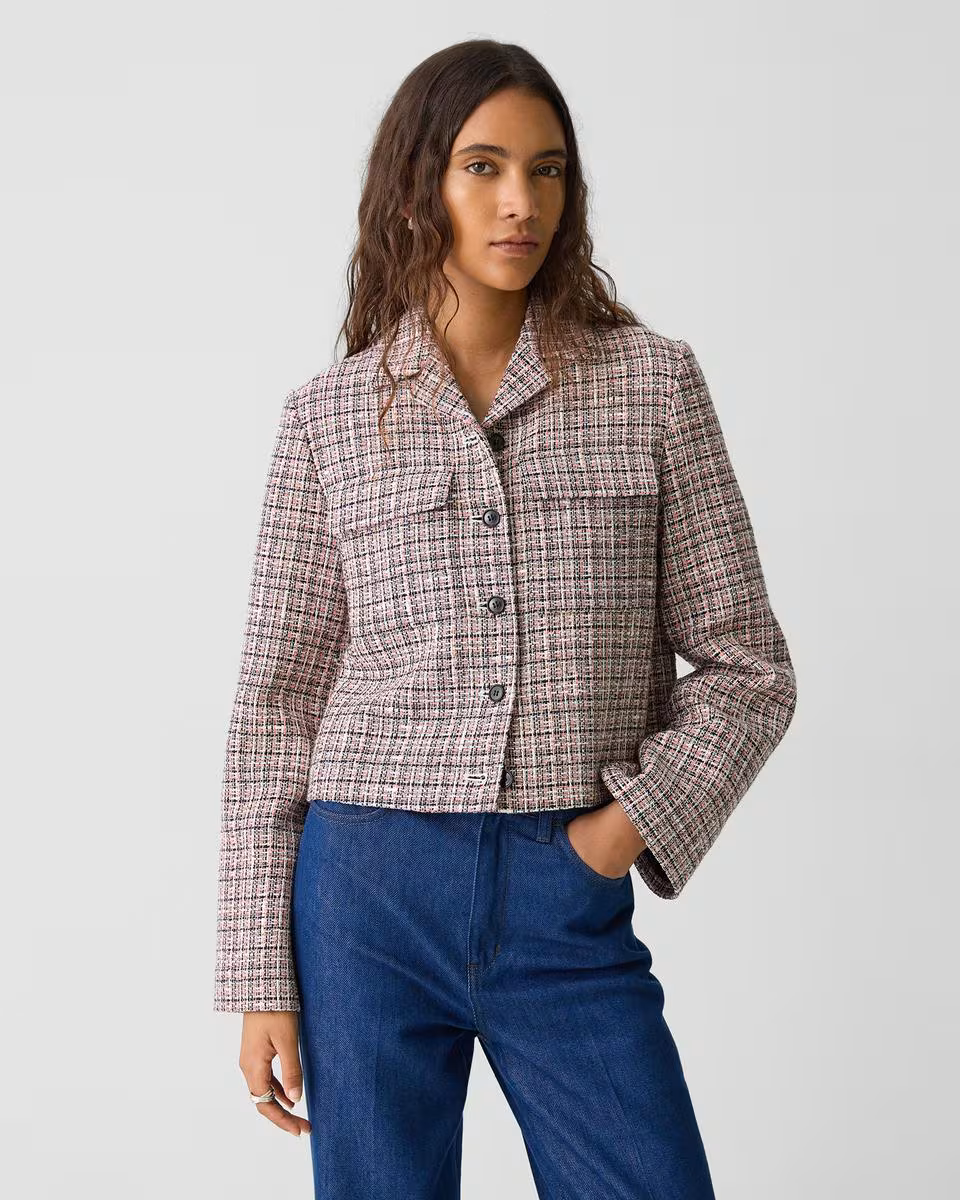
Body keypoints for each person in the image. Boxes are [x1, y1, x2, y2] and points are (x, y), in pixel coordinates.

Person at [214, 38, 797, 1200]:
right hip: (363, 890)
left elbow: (750, 670)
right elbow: (277, 705)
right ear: (418, 186)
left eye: (547, 170)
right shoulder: (329, 419)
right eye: (482, 167)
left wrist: (616, 835)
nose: (520, 201)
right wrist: (258, 974)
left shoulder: (651, 386)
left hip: (562, 887)